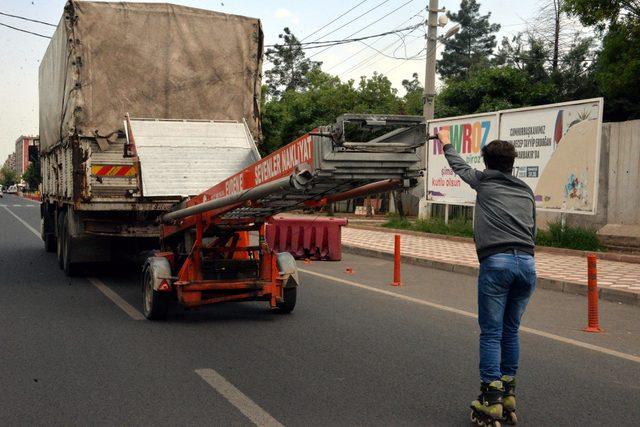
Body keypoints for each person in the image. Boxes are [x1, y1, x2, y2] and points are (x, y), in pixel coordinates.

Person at [437, 129, 537, 426]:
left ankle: (491, 399)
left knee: (492, 332)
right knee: (511, 330)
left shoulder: (484, 181)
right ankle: (508, 393)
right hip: (527, 264)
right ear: (512, 163)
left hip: (497, 262)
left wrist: (445, 140)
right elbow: (532, 231)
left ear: (488, 163)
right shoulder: (525, 190)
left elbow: (457, 165)